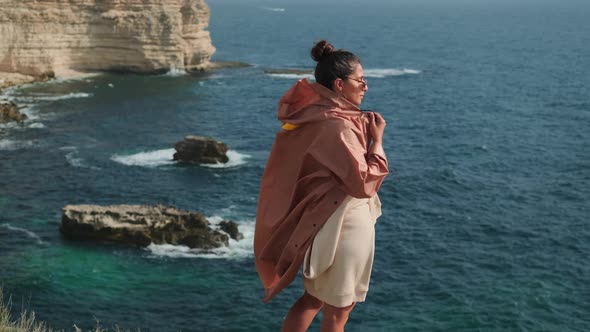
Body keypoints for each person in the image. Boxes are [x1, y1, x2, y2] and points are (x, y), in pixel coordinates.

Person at [254, 40, 389, 332]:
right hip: (346, 223)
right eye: (361, 80)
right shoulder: (339, 126)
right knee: (339, 311)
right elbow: (363, 183)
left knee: (313, 300)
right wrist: (377, 142)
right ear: (340, 84)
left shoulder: (319, 115)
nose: (366, 86)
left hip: (330, 221)